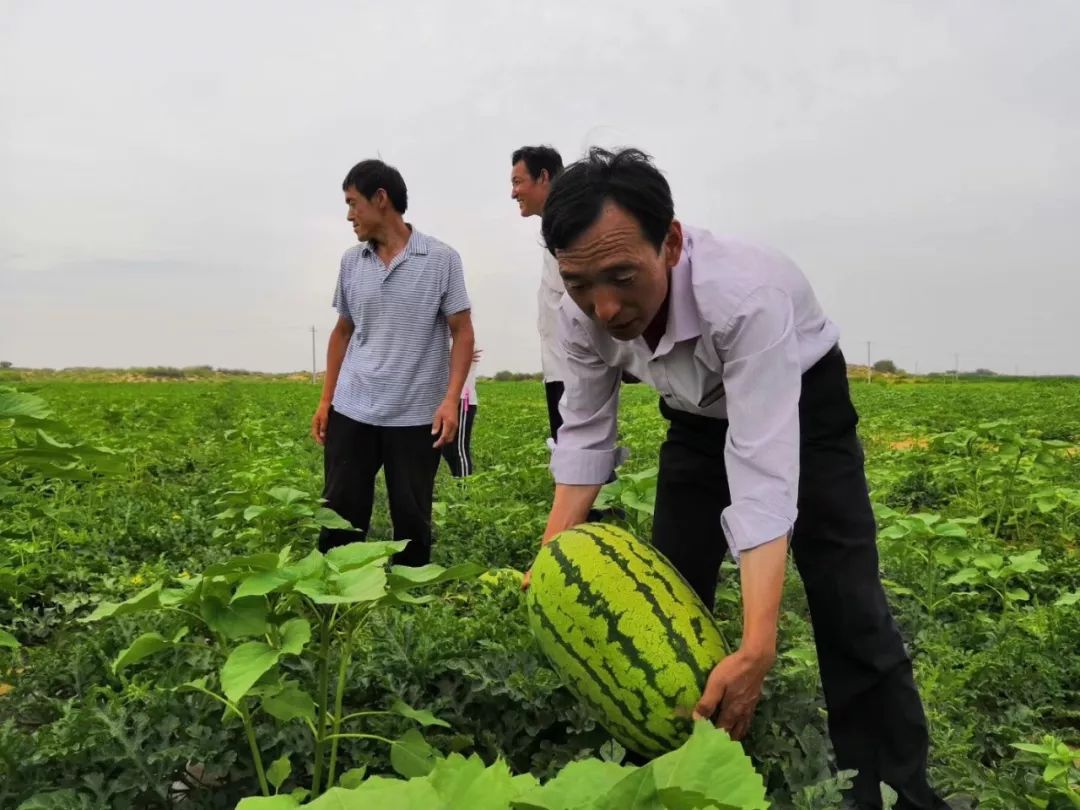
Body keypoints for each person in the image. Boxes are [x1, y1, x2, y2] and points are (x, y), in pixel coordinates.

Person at [526, 147, 948, 810]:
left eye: (620, 277)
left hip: (804, 404)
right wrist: (551, 555)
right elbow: (584, 429)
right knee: (661, 601)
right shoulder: (572, 298)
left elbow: (763, 477)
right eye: (582, 283)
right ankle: (690, 782)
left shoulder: (746, 296)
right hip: (694, 417)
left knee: (849, 607)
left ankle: (897, 794)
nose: (604, 307)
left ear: (669, 242)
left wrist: (759, 644)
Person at [311, 159, 475, 567]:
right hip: (354, 408)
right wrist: (325, 400)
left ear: (380, 199)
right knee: (340, 514)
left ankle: (409, 598)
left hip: (416, 414)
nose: (349, 215)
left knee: (412, 517)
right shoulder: (352, 261)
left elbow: (463, 332)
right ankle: (336, 588)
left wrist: (451, 399)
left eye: (353, 203)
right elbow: (342, 332)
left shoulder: (441, 260)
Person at [510, 145, 567, 440]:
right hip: (561, 368)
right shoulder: (553, 226)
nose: (513, 193)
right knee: (573, 457)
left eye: (518, 182)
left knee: (581, 460)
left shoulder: (568, 225)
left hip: (575, 370)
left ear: (543, 177)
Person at [441, 348, 482, 477]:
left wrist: (448, 358)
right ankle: (458, 481)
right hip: (446, 401)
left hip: (463, 400)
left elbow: (458, 364)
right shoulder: (445, 339)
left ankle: (465, 491)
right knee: (446, 449)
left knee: (459, 449)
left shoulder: (464, 335)